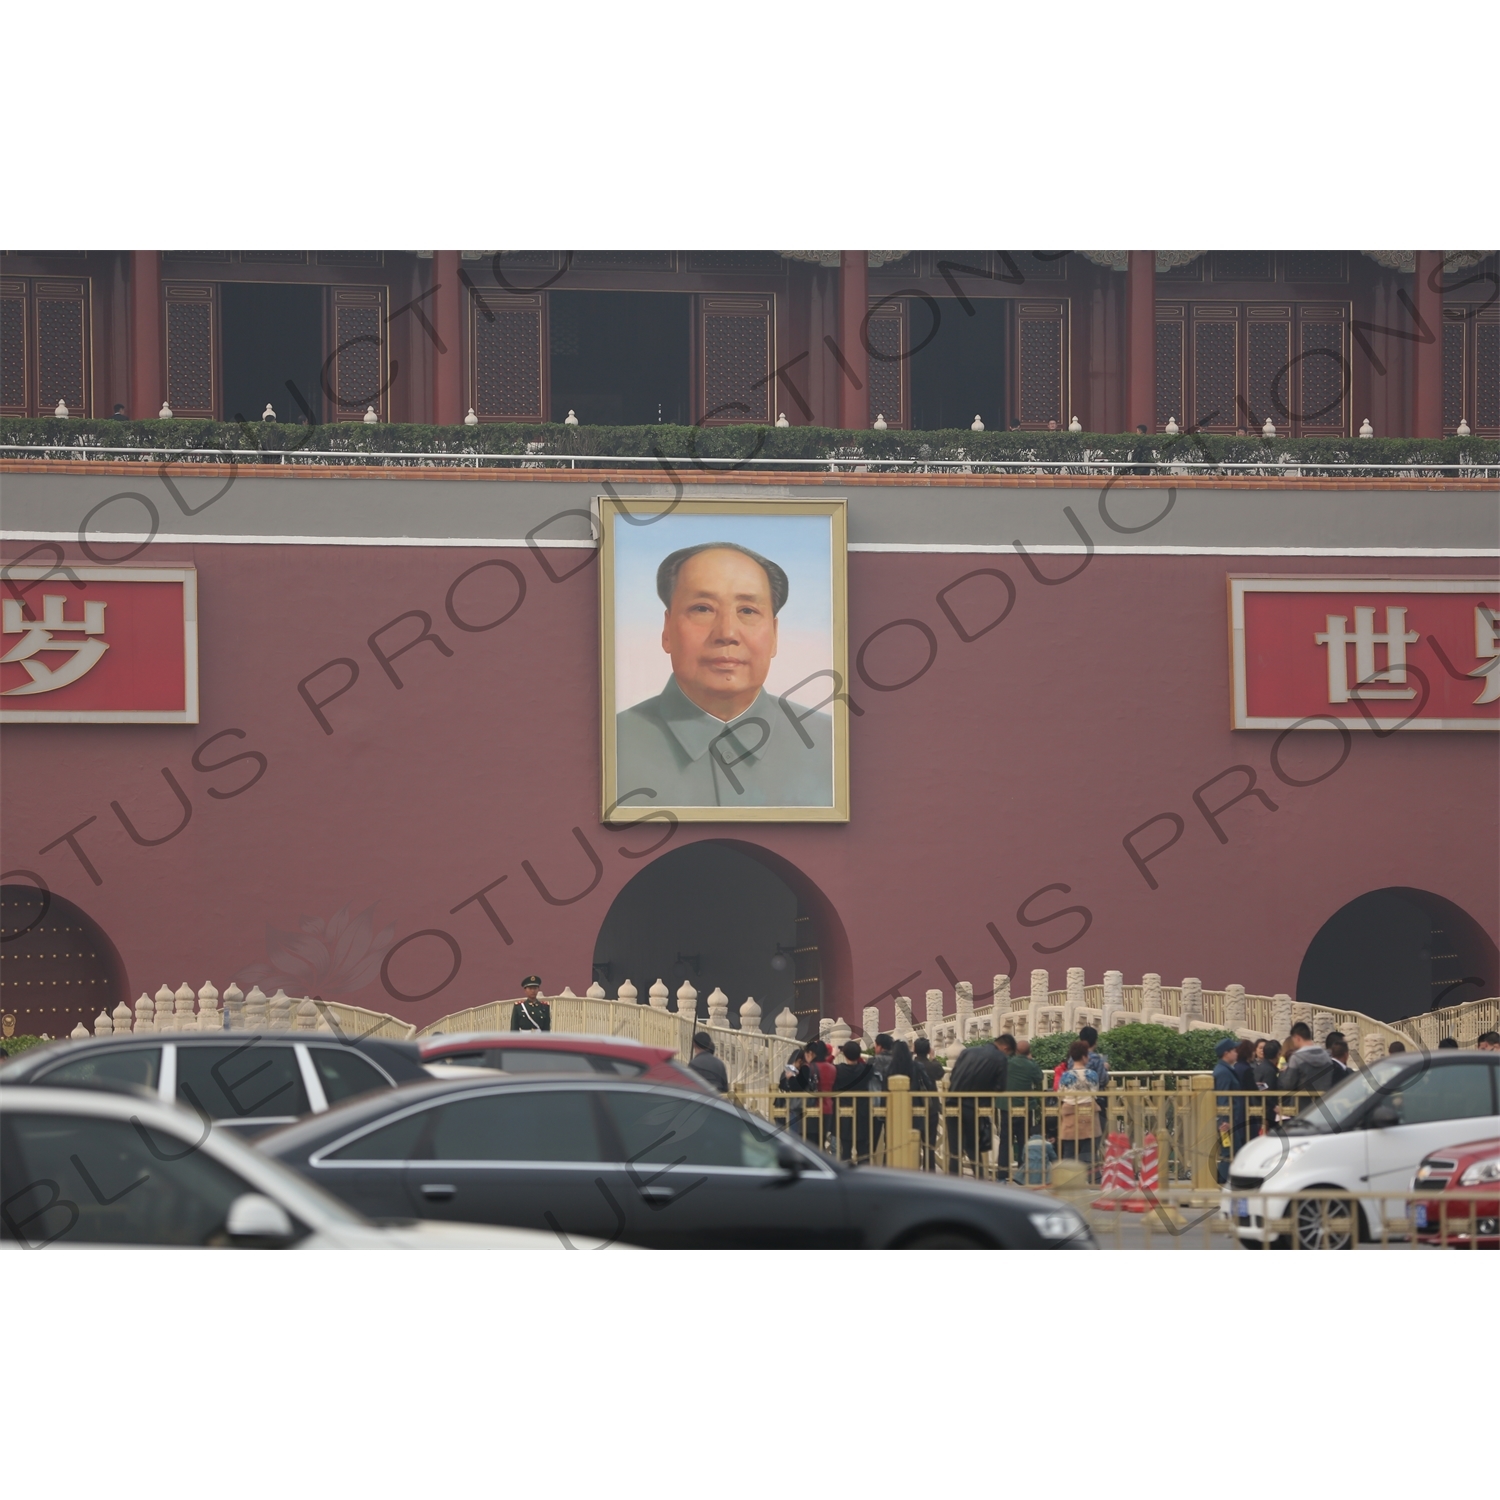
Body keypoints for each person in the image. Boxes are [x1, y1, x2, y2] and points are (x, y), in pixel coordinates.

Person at [615, 542, 833, 808]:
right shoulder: (612, 743)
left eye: (747, 611)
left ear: (775, 636)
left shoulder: (833, 745)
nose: (727, 633)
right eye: (702, 609)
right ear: (667, 630)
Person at [946, 1035, 1008, 1176]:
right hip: (972, 1105)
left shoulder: (967, 1052)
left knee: (954, 1148)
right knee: (972, 1145)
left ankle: (952, 1181)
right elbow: (1000, 1086)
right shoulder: (1000, 1058)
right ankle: (980, 1179)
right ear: (1005, 1048)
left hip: (951, 1102)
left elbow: (954, 1074)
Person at [1056, 1041, 1102, 1175]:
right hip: (1088, 1114)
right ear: (1084, 1057)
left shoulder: (1065, 1076)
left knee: (1069, 1151)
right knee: (1089, 1152)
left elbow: (1061, 1095)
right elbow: (1095, 1092)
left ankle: (1067, 1179)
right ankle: (1093, 1180)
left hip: (1070, 1114)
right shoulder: (1092, 1074)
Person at [1001, 1034, 1043, 1177]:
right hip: (1024, 1106)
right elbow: (1039, 1078)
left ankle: (1002, 1172)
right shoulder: (1030, 1065)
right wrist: (1031, 1061)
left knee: (1005, 1139)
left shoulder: (1007, 1062)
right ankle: (1023, 1172)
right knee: (1023, 1139)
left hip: (1007, 1105)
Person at [832, 1040, 874, 1162]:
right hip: (863, 1113)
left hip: (844, 1113)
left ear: (844, 1055)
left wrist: (834, 1055)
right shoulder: (866, 1070)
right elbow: (863, 1064)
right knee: (863, 1150)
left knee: (845, 1150)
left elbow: (826, 1067)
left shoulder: (838, 1070)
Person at [1277, 1025, 1339, 1093]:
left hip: (1302, 1101)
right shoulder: (1327, 1056)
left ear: (1297, 1038)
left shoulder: (1296, 1058)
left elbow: (1288, 1085)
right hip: (1323, 1100)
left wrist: (1284, 1072)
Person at [777, 1045, 815, 1139]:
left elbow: (798, 1087)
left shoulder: (806, 1071)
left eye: (798, 1061)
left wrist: (793, 1078)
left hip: (802, 1107)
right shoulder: (790, 1070)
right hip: (793, 1107)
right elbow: (782, 1085)